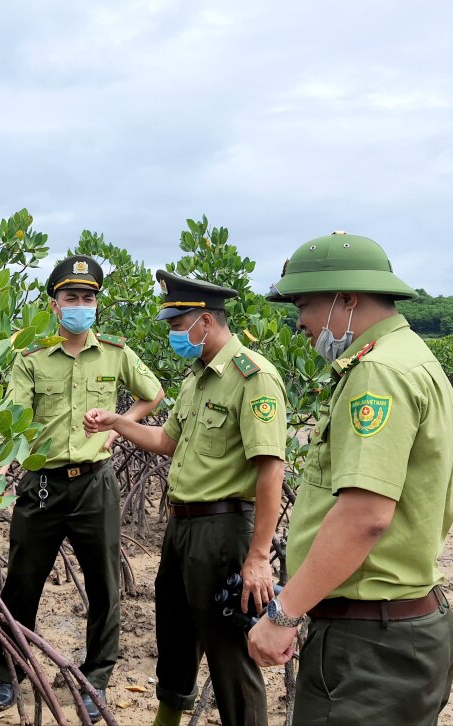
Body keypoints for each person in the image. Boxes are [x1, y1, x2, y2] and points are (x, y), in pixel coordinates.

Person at [248, 232, 453, 725]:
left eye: (303, 304)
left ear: (347, 299)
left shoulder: (379, 372)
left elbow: (365, 516)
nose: (297, 321)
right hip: (394, 632)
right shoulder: (412, 357)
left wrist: (283, 615)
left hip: (370, 644)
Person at [84, 270, 287, 726]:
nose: (175, 335)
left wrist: (258, 558)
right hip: (182, 528)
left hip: (224, 530)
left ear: (206, 323)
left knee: (229, 653)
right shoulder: (197, 379)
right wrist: (118, 422)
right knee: (174, 638)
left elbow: (271, 468)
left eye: (178, 327)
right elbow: (167, 441)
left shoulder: (253, 378)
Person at [0, 254, 164, 721]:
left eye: (88, 297)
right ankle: (8, 672)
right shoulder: (30, 358)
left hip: (95, 485)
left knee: (104, 586)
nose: (81, 304)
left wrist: (119, 426)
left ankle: (95, 678)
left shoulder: (116, 353)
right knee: (22, 582)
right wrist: (1, 464)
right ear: (55, 304)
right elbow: (13, 420)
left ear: (97, 304)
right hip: (41, 485)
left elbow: (154, 393)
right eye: (72, 297)